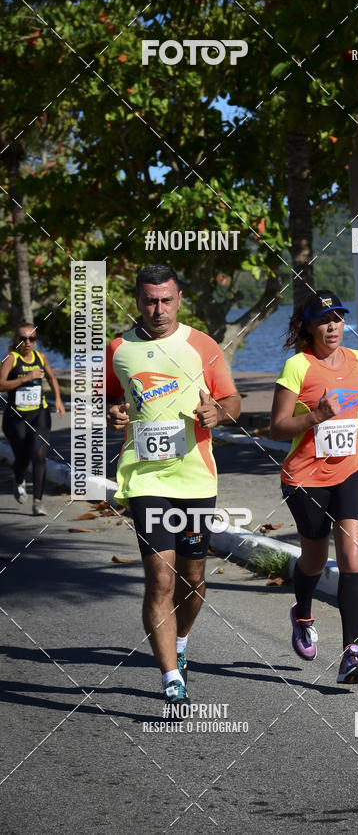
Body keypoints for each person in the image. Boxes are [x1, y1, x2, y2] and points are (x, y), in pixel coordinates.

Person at [105, 264, 241, 714]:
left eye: (165, 300)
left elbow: (231, 398)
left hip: (195, 476)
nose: (157, 309)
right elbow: (112, 399)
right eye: (148, 300)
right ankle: (170, 679)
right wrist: (115, 414)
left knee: (194, 577)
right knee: (160, 577)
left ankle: (181, 641)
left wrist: (217, 414)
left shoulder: (201, 344)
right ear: (137, 301)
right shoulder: (119, 349)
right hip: (145, 477)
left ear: (178, 298)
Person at [270, 290, 358, 684]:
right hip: (305, 477)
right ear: (309, 326)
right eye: (324, 319)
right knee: (315, 561)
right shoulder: (297, 367)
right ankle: (302, 612)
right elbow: (277, 426)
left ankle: (351, 653)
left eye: (338, 317)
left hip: (354, 467)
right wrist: (316, 417)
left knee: (353, 561)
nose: (333, 325)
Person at [0, 323, 66, 515]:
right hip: (16, 417)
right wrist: (25, 378)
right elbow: (1, 384)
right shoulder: (11, 359)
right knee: (22, 457)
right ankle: (18, 478)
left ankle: (38, 501)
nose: (27, 342)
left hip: (40, 414)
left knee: (39, 455)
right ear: (16, 340)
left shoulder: (40, 357)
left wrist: (59, 400)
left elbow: (52, 378)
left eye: (32, 339)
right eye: (23, 338)